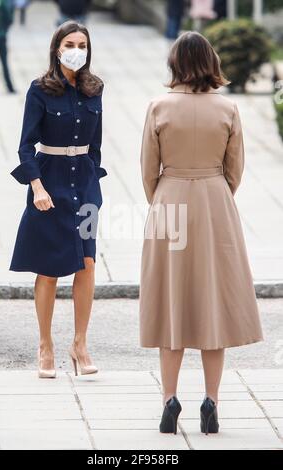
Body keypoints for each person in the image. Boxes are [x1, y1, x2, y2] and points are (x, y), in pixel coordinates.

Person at [139, 31, 264, 435]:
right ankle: (211, 401)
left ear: (175, 63)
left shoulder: (158, 107)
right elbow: (235, 169)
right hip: (214, 200)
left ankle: (169, 399)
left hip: (169, 197)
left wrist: (162, 200)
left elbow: (147, 171)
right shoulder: (227, 109)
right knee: (214, 301)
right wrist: (217, 193)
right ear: (212, 62)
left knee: (170, 299)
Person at [9, 20, 108, 379]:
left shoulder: (95, 89)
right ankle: (45, 344)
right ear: (57, 48)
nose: (77, 49)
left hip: (85, 184)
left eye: (83, 43)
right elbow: (24, 146)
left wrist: (93, 179)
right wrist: (36, 187)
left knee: (87, 263)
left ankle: (80, 344)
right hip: (49, 182)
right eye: (70, 43)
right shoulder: (40, 90)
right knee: (49, 268)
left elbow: (96, 146)